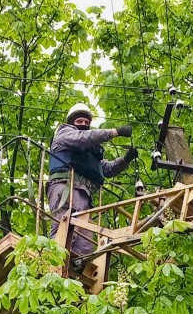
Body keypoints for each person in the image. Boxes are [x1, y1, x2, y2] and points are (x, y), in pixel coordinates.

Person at [47, 103, 138, 257]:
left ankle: (77, 270)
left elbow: (106, 169)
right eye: (79, 121)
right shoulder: (65, 134)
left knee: (84, 245)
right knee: (64, 228)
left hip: (85, 195)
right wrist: (115, 132)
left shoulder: (88, 151)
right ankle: (53, 264)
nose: (83, 124)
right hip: (66, 187)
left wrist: (126, 159)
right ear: (71, 122)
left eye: (86, 122)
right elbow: (83, 137)